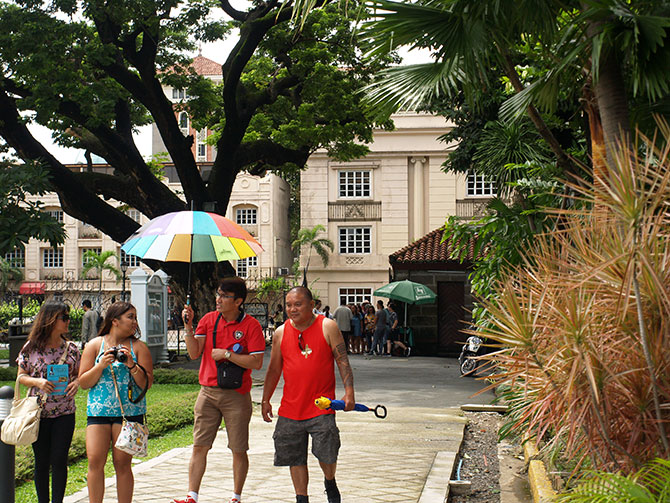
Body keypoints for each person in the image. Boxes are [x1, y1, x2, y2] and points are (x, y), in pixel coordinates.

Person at [173, 277, 265, 503]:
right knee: (199, 445)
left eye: (225, 296)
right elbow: (194, 353)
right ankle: (191, 495)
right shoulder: (208, 319)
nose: (218, 299)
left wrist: (227, 354)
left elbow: (256, 362)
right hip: (207, 393)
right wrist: (188, 327)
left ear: (239, 301)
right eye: (218, 294)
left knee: (238, 448)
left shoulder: (250, 326)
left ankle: (236, 496)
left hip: (237, 394)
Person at [262, 286, 355, 503]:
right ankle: (301, 498)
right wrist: (266, 400)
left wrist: (349, 392)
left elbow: (342, 360)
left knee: (327, 453)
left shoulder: (327, 326)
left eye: (298, 304)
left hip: (322, 406)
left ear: (312, 305)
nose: (292, 309)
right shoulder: (280, 332)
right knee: (294, 456)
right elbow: (274, 369)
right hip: (290, 408)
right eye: (288, 305)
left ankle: (329, 480)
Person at [79, 301, 154, 503]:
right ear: (114, 321)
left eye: (135, 317)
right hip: (98, 413)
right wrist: (100, 365)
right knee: (95, 461)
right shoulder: (95, 345)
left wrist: (131, 364)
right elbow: (83, 382)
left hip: (129, 414)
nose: (134, 322)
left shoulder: (139, 347)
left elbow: (146, 384)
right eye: (130, 317)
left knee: (122, 464)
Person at [17, 301, 81, 503]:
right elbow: (20, 376)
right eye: (65, 318)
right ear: (51, 320)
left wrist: (77, 383)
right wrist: (38, 381)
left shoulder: (71, 349)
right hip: (38, 413)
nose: (68, 321)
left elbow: (80, 374)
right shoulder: (31, 347)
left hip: (65, 412)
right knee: (42, 461)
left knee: (60, 460)